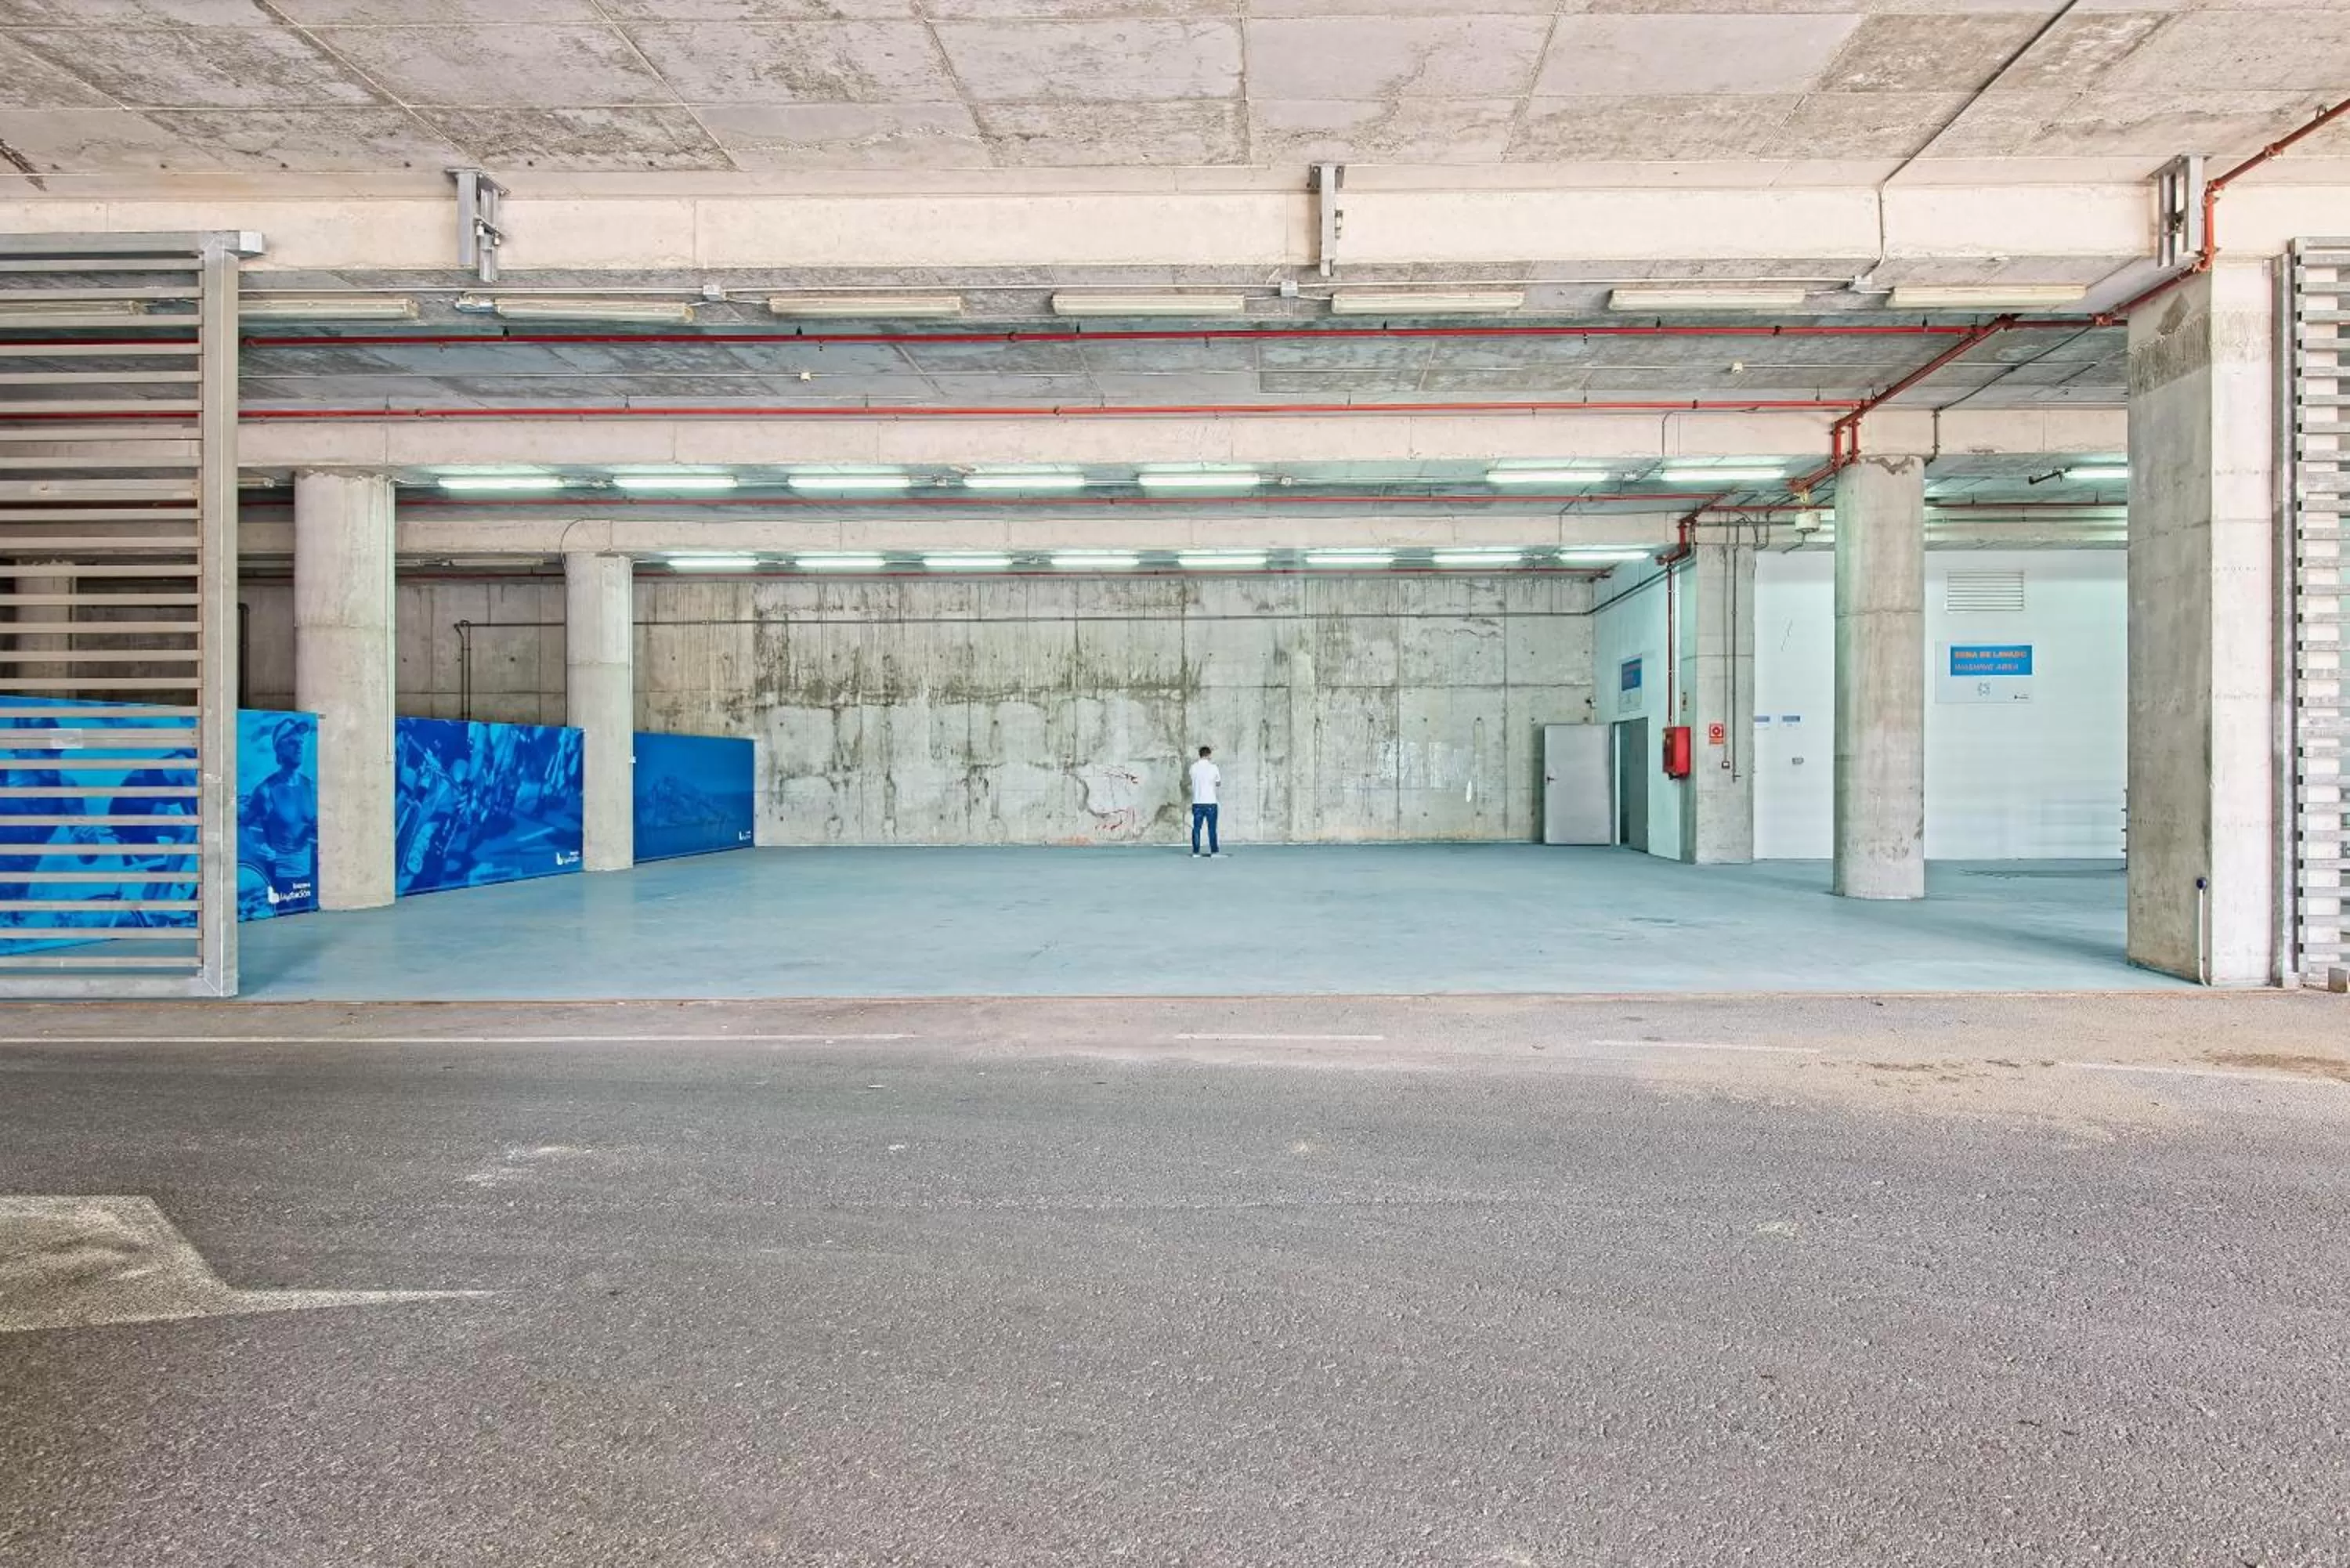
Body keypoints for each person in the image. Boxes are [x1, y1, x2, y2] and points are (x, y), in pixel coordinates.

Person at [1188, 745, 1222, 858]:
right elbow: (1218, 783)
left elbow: (1193, 779)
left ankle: (1196, 852)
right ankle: (1214, 851)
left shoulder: (1193, 767)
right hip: (1210, 802)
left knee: (1197, 828)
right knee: (1212, 828)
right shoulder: (1214, 767)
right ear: (1208, 755)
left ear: (1200, 754)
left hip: (1197, 802)